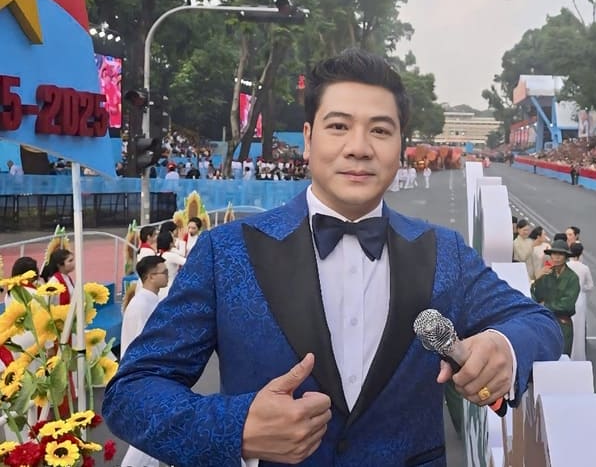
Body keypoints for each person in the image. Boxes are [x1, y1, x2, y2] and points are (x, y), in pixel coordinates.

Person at [104, 49, 563, 467]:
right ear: (308, 138)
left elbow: (538, 324)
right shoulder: (227, 253)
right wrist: (238, 426)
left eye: (380, 130)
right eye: (339, 126)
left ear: (401, 145)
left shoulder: (444, 251)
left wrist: (503, 347)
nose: (359, 147)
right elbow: (131, 392)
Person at [119, 255, 169, 467]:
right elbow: (142, 346)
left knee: (153, 435)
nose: (168, 276)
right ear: (150, 277)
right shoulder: (140, 305)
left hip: (150, 376)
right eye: (164, 273)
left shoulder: (151, 300)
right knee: (148, 435)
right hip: (142, 378)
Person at [530, 236, 580, 356]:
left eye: (560, 254)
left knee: (562, 358)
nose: (556, 257)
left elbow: (567, 304)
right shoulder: (546, 273)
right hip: (545, 323)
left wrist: (546, 305)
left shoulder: (572, 277)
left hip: (562, 325)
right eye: (554, 254)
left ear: (566, 257)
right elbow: (535, 297)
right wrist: (537, 279)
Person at [565, 236, 593, 362]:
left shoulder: (566, 266)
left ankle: (567, 353)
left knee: (568, 326)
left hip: (567, 297)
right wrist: (582, 288)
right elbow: (590, 285)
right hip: (580, 298)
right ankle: (579, 356)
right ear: (581, 253)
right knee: (580, 327)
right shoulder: (584, 268)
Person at [155, 230, 188, 298]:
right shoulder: (170, 256)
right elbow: (188, 262)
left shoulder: (158, 254)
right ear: (170, 243)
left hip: (161, 288)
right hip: (171, 287)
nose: (175, 240)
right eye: (173, 238)